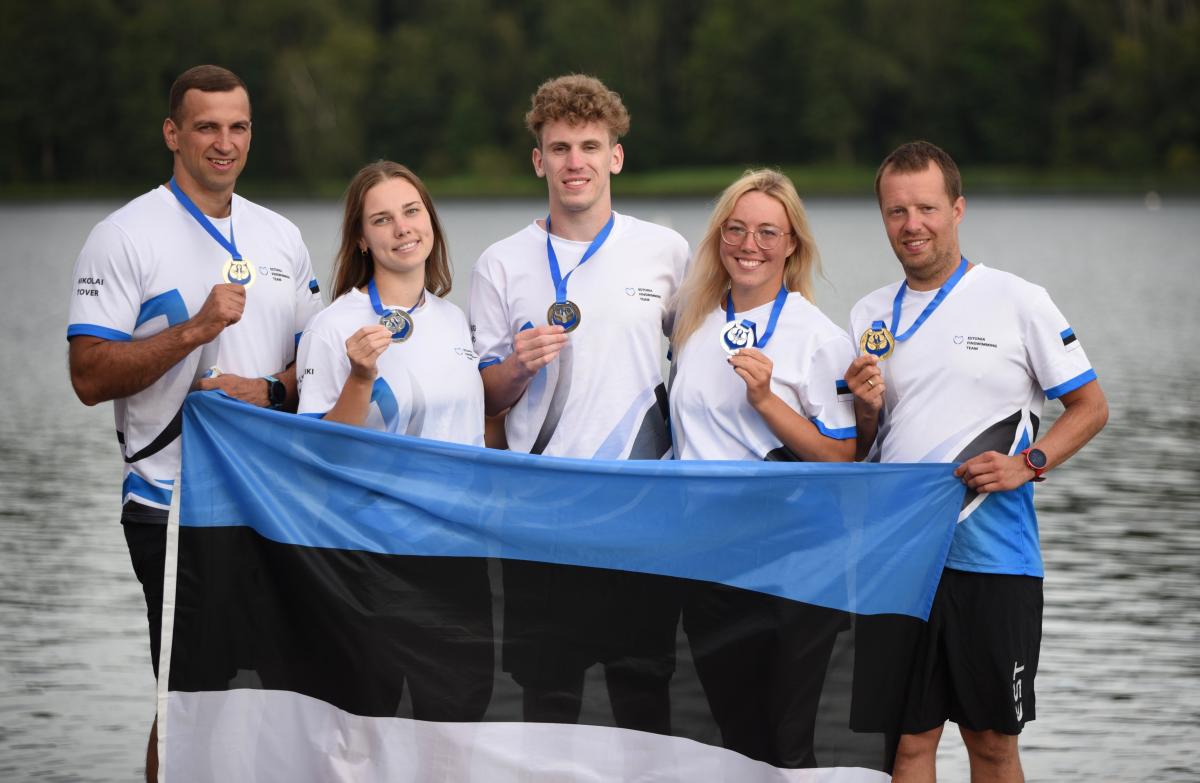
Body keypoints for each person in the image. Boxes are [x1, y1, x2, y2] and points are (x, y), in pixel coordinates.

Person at [66, 65, 323, 780]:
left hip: (269, 501)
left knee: (274, 686)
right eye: (206, 126)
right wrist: (195, 330)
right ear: (172, 133)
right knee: (187, 694)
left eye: (238, 127)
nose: (224, 142)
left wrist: (269, 388)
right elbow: (88, 376)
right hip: (171, 501)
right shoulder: (124, 235)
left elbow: (314, 366)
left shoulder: (280, 236)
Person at [844, 141, 1109, 782]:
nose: (912, 224)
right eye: (896, 211)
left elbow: (1091, 407)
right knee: (905, 745)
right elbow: (866, 446)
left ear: (957, 209)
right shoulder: (867, 314)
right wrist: (867, 411)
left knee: (990, 744)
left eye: (926, 208)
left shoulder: (1018, 300)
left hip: (993, 562)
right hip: (898, 561)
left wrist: (1029, 462)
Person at [468, 74, 689, 730]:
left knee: (643, 698)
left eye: (590, 146)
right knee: (549, 703)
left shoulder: (666, 251)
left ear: (615, 156)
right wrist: (517, 366)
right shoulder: (500, 263)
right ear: (538, 160)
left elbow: (698, 367)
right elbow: (486, 396)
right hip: (541, 516)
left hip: (641, 510)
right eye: (560, 148)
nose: (575, 162)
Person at [669, 169, 856, 766]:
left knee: (788, 741)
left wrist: (766, 401)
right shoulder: (691, 320)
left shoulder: (819, 337)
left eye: (768, 232)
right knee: (734, 736)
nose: (749, 245)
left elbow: (842, 457)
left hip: (792, 565)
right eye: (736, 229)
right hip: (707, 562)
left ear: (792, 243)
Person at [293, 160, 492, 720]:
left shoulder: (453, 320)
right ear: (361, 238)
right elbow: (320, 457)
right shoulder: (334, 327)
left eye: (411, 211)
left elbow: (471, 435)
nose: (402, 228)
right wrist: (360, 377)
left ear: (430, 220)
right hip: (373, 560)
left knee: (457, 721)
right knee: (365, 727)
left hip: (457, 557)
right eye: (382, 219)